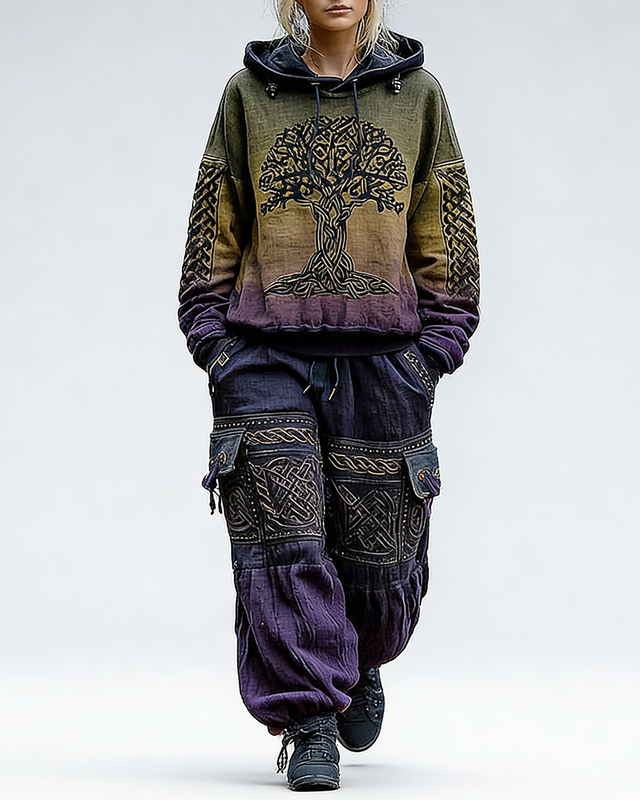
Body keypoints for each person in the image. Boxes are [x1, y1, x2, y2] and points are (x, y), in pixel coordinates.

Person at [178, 0, 479, 791]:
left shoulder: (419, 97)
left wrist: (432, 354)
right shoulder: (249, 94)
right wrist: (217, 346)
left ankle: (357, 653)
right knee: (283, 543)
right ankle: (308, 719)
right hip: (264, 355)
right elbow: (217, 219)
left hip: (383, 360)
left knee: (380, 560)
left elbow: (444, 225)